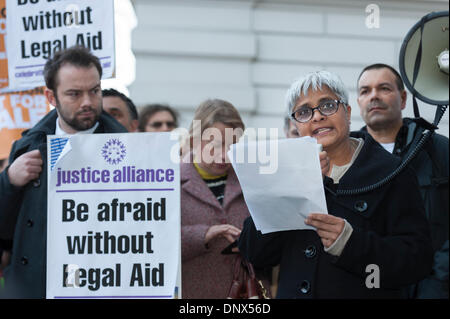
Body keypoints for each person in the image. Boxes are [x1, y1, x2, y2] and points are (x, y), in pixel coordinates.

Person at [238, 70, 433, 298]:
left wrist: (351, 244)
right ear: (296, 125)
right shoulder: (282, 174)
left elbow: (416, 262)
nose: (317, 116)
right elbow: (254, 253)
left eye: (328, 105)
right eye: (303, 112)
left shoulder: (393, 172)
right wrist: (287, 187)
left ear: (348, 112)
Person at [0, 46, 127, 298]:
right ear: (51, 97)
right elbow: (4, 231)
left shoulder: (130, 149)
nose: (88, 102)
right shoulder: (27, 147)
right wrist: (9, 181)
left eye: (95, 90)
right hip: (35, 287)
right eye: (74, 94)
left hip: (100, 286)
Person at [357, 63, 449, 299]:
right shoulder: (347, 156)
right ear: (358, 103)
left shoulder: (439, 150)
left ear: (404, 98)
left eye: (384, 88)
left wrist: (437, 284)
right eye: (365, 91)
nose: (374, 96)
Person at [181, 99, 257, 298]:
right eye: (215, 145)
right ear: (192, 141)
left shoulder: (253, 180)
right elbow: (153, 244)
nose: (224, 155)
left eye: (232, 146)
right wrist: (203, 235)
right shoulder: (168, 183)